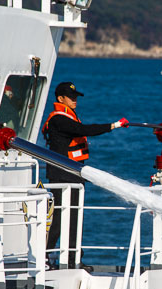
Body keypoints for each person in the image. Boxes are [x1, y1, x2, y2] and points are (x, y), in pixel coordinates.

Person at [42, 82, 128, 270]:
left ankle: (73, 259)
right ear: (60, 99)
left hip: (72, 174)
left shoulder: (68, 116)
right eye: (70, 97)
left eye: (76, 97)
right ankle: (46, 258)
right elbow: (84, 130)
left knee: (74, 217)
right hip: (61, 176)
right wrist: (114, 125)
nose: (74, 100)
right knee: (59, 218)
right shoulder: (58, 119)